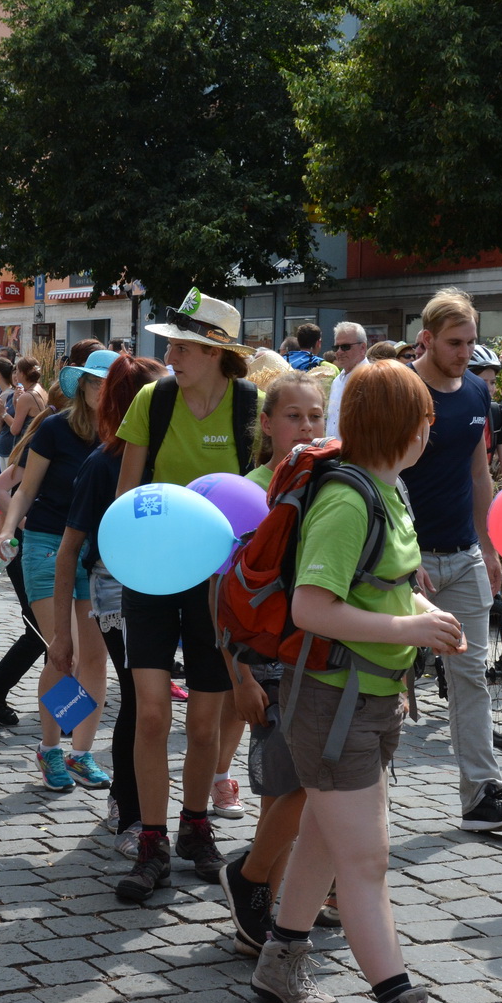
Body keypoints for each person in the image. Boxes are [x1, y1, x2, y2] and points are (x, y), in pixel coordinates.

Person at [248, 359, 488, 1003]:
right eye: (424, 418)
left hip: (365, 698)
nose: (431, 428)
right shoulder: (351, 500)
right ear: (402, 427)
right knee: (366, 861)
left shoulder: (385, 489)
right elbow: (312, 607)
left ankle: (279, 961)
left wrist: (422, 613)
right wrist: (413, 630)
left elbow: (373, 591)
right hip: (332, 701)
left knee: (326, 836)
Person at [111, 289, 259, 900]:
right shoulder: (155, 398)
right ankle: (151, 841)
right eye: (170, 343)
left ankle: (195, 827)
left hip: (220, 579)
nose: (169, 354)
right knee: (150, 711)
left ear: (216, 352)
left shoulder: (253, 406)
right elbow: (128, 492)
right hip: (150, 571)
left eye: (182, 345)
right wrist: (118, 560)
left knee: (204, 723)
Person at [399, 290, 502, 834]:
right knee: (379, 683)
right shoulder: (402, 390)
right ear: (426, 339)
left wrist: (491, 547)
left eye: (473, 341)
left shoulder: (477, 389)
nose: (466, 352)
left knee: (471, 674)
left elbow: (481, 475)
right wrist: (403, 555)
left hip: (464, 555)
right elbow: (382, 474)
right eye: (455, 343)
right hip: (405, 559)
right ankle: (359, 801)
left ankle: (480, 794)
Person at [219, 368, 326, 949]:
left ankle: (284, 902)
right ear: (266, 423)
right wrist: (239, 677)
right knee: (283, 794)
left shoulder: (330, 483)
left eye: (315, 416)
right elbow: (224, 599)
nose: (306, 427)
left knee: (312, 795)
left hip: (322, 658)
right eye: (294, 416)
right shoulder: (250, 492)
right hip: (267, 662)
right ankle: (256, 908)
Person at [47, 354, 168, 855]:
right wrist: (59, 633)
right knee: (82, 670)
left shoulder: (163, 454)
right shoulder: (89, 452)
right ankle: (53, 747)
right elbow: (64, 545)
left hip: (154, 582)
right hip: (94, 578)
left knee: (118, 681)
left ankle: (75, 750)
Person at [0, 350, 113, 793]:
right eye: (96, 382)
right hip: (46, 546)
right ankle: (50, 748)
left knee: (96, 659)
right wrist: (7, 530)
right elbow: (21, 492)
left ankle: (82, 753)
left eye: (111, 382)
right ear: (82, 385)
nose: (104, 390)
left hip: (98, 553)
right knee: (66, 654)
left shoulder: (124, 434)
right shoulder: (57, 427)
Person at [467, 348, 502, 484]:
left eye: (492, 382)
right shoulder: (449, 411)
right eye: (482, 382)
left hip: (481, 489)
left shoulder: (496, 413)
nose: (489, 389)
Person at [324, 321, 369, 438]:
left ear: (362, 348)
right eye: (336, 347)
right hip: (334, 452)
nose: (339, 352)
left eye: (345, 347)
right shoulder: (337, 381)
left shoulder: (373, 379)